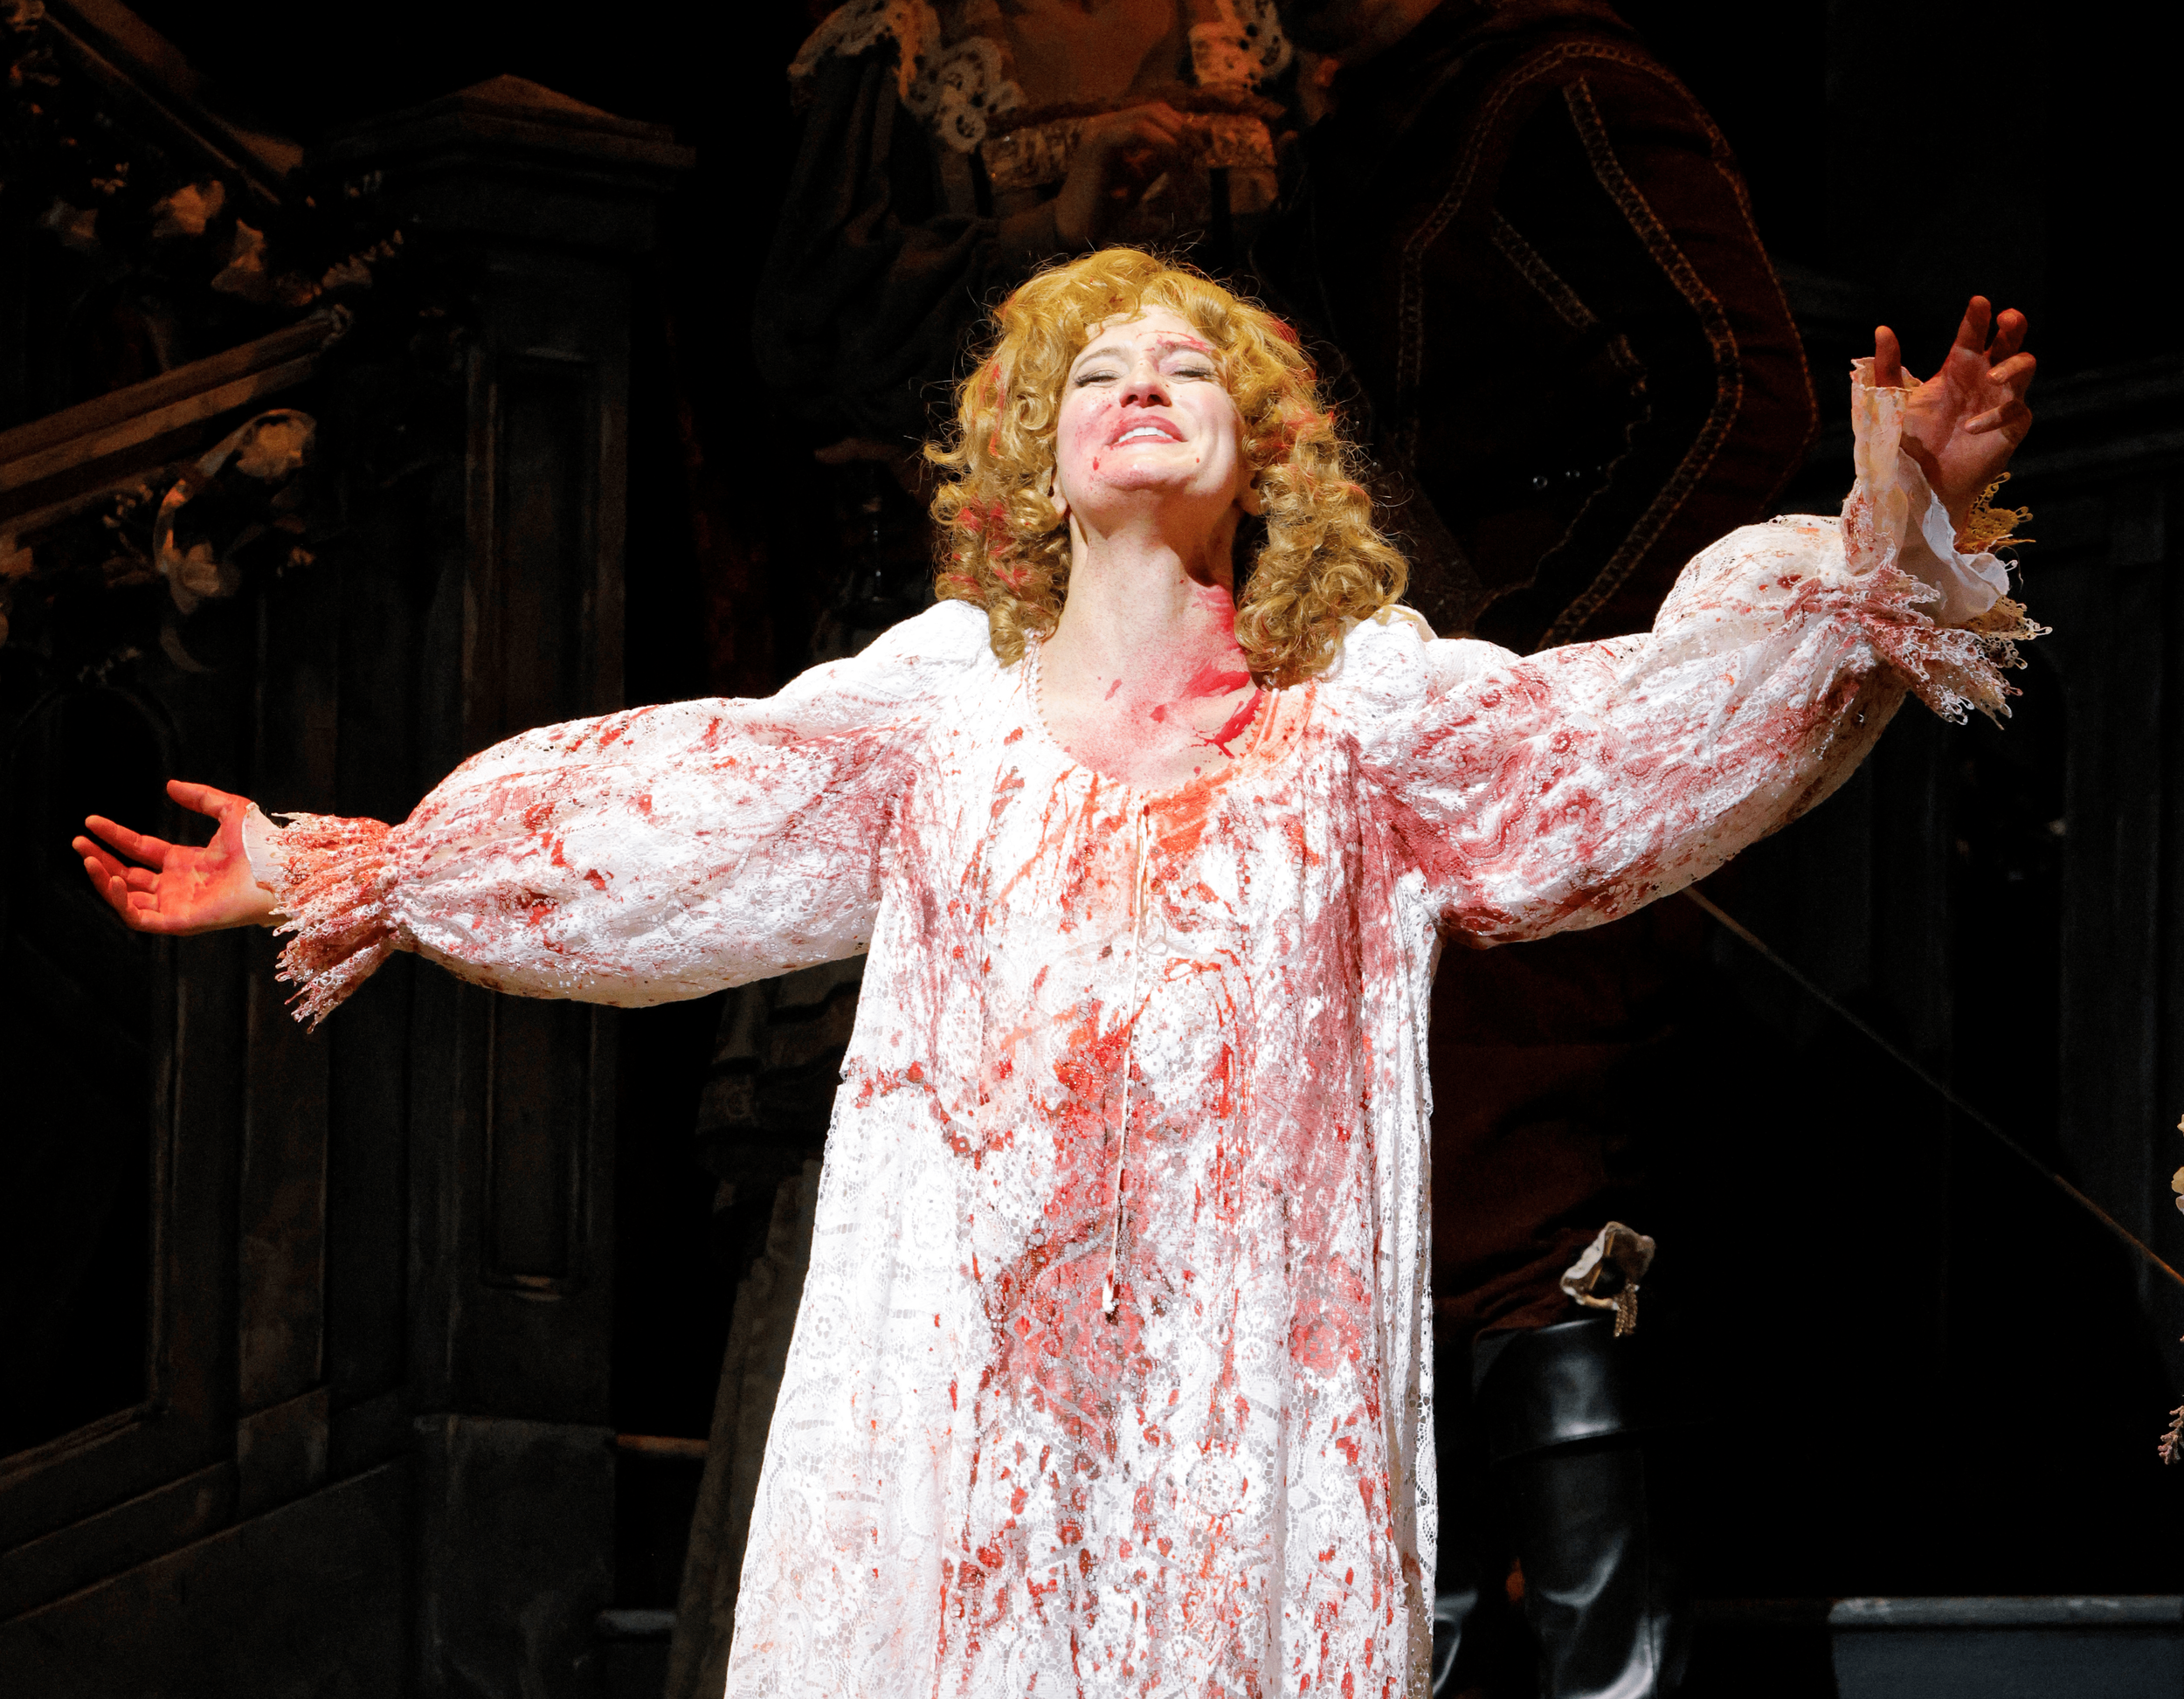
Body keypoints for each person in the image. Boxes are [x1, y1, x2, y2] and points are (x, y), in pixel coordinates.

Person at [74, 249, 2035, 1696]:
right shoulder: (931, 711)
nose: (1141, 385)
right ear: (1037, 448)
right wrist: (346, 870)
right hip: (956, 1392)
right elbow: (659, 820)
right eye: (1095, 369)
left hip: (1236, 1392)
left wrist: (1894, 524)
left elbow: (1628, 752)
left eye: (1189, 366)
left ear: (1256, 452)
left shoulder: (1364, 717)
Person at [1247, 3, 1826, 1690]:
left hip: (1533, 764)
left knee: (1514, 1188)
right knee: (1385, 1200)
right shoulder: (1340, 146)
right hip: (1368, 748)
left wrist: (1546, 693)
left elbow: (1740, 387)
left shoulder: (1554, 87)